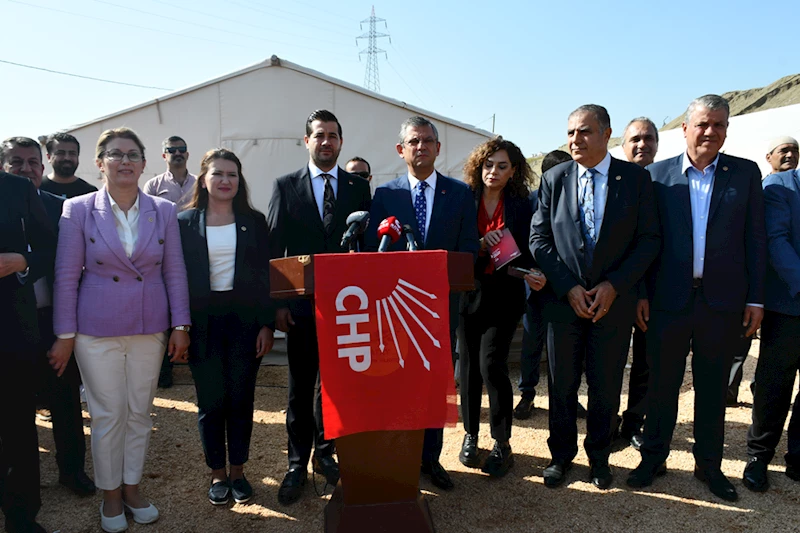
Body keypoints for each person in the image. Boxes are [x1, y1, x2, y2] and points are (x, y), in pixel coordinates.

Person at [49, 127, 191, 532]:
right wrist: (65, 334)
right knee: (108, 413)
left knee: (140, 413)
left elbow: (174, 271)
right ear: (100, 164)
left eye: (132, 154)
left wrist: (180, 324)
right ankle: (110, 495)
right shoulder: (76, 209)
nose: (125, 161)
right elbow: (65, 275)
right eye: (115, 154)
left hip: (149, 326)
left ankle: (132, 487)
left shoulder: (163, 210)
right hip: (96, 329)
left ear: (145, 163)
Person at [629, 95, 766, 503]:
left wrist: (756, 298)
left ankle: (709, 467)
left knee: (711, 389)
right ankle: (653, 459)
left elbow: (756, 240)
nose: (711, 132)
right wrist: (639, 292)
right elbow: (641, 242)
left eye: (719, 125)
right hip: (667, 300)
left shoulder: (745, 174)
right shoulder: (656, 176)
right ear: (685, 129)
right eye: (703, 124)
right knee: (662, 385)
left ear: (727, 130)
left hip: (721, 303)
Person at [531, 104, 660, 490]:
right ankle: (561, 457)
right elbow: (539, 239)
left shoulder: (634, 180)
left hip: (613, 305)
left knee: (605, 386)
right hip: (563, 303)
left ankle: (599, 457)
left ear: (607, 135)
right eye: (570, 132)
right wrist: (568, 286)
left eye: (584, 132)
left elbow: (649, 239)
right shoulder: (554, 178)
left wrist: (614, 285)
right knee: (562, 385)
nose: (575, 140)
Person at [366, 115, 480, 490]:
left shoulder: (460, 194)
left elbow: (468, 251)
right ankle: (398, 456)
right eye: (414, 141)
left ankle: (430, 459)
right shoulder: (385, 196)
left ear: (438, 148)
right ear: (401, 150)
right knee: (396, 386)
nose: (421, 147)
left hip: (440, 309)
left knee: (433, 388)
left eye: (428, 141)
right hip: (395, 311)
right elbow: (373, 254)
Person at [266, 110, 372, 505]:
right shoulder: (285, 186)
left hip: (347, 308)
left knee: (336, 388)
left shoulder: (358, 188)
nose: (326, 141)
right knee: (299, 390)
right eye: (319, 135)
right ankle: (296, 463)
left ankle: (326, 454)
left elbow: (363, 250)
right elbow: (276, 249)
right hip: (301, 309)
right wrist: (276, 307)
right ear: (306, 141)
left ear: (341, 142)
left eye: (332, 135)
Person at [178, 148, 275, 506]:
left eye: (232, 174)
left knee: (240, 399)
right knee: (210, 401)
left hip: (245, 323)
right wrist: (180, 327)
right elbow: (175, 278)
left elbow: (267, 277)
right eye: (218, 173)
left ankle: (238, 471)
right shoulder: (183, 223)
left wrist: (267, 325)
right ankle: (217, 473)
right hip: (202, 323)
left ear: (240, 180)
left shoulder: (254, 221)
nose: (225, 181)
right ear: (204, 179)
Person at [1, 137, 95, 497]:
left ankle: (72, 472)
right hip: (11, 325)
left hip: (55, 320)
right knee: (14, 408)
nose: (26, 169)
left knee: (66, 401)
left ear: (44, 165)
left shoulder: (62, 208)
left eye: (32, 162)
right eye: (16, 162)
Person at [457, 137, 545, 477]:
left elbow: (532, 245)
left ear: (514, 171)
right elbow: (456, 243)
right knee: (468, 369)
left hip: (506, 293)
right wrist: (479, 244)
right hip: (469, 292)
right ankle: (471, 434)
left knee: (491, 364)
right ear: (479, 167)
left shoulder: (523, 204)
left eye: (502, 166)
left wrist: (535, 271)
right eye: (488, 165)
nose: (493, 171)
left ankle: (502, 442)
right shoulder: (465, 199)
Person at [0, 163, 55, 533]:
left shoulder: (18, 188)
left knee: (18, 426)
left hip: (12, 331)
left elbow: (51, 247)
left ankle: (22, 516)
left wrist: (23, 261)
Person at [728, 136, 800, 406]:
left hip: (783, 291)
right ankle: (731, 390)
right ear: (768, 156)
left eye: (794, 150)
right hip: (760, 285)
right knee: (742, 344)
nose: (790, 155)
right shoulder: (766, 185)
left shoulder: (794, 188)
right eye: (784, 150)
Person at [742, 167, 800, 492]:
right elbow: (776, 241)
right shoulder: (781, 185)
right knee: (774, 387)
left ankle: (798, 458)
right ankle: (759, 457)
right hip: (789, 307)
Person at [515, 149, 571, 420]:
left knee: (563, 346)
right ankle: (527, 394)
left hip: (566, 286)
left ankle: (564, 398)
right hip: (535, 284)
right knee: (532, 342)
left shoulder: (577, 199)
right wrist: (531, 272)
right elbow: (523, 241)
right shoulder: (530, 202)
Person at [618, 117, 660, 450]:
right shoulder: (611, 181)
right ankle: (605, 420)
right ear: (622, 144)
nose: (641, 144)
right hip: (614, 289)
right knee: (608, 361)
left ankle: (634, 421)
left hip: (655, 291)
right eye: (635, 139)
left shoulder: (667, 182)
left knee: (646, 363)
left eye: (648, 138)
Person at [143, 135, 197, 389]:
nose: (177, 153)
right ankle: (164, 373)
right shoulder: (152, 186)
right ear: (164, 155)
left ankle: (196, 366)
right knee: (163, 311)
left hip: (193, 253)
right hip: (163, 256)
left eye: (181, 150)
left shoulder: (200, 184)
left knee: (193, 306)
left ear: (188, 154)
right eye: (171, 150)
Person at [40, 132, 98, 199]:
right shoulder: (37, 188)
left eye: (72, 153)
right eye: (61, 153)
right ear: (49, 157)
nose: (67, 158)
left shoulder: (90, 192)